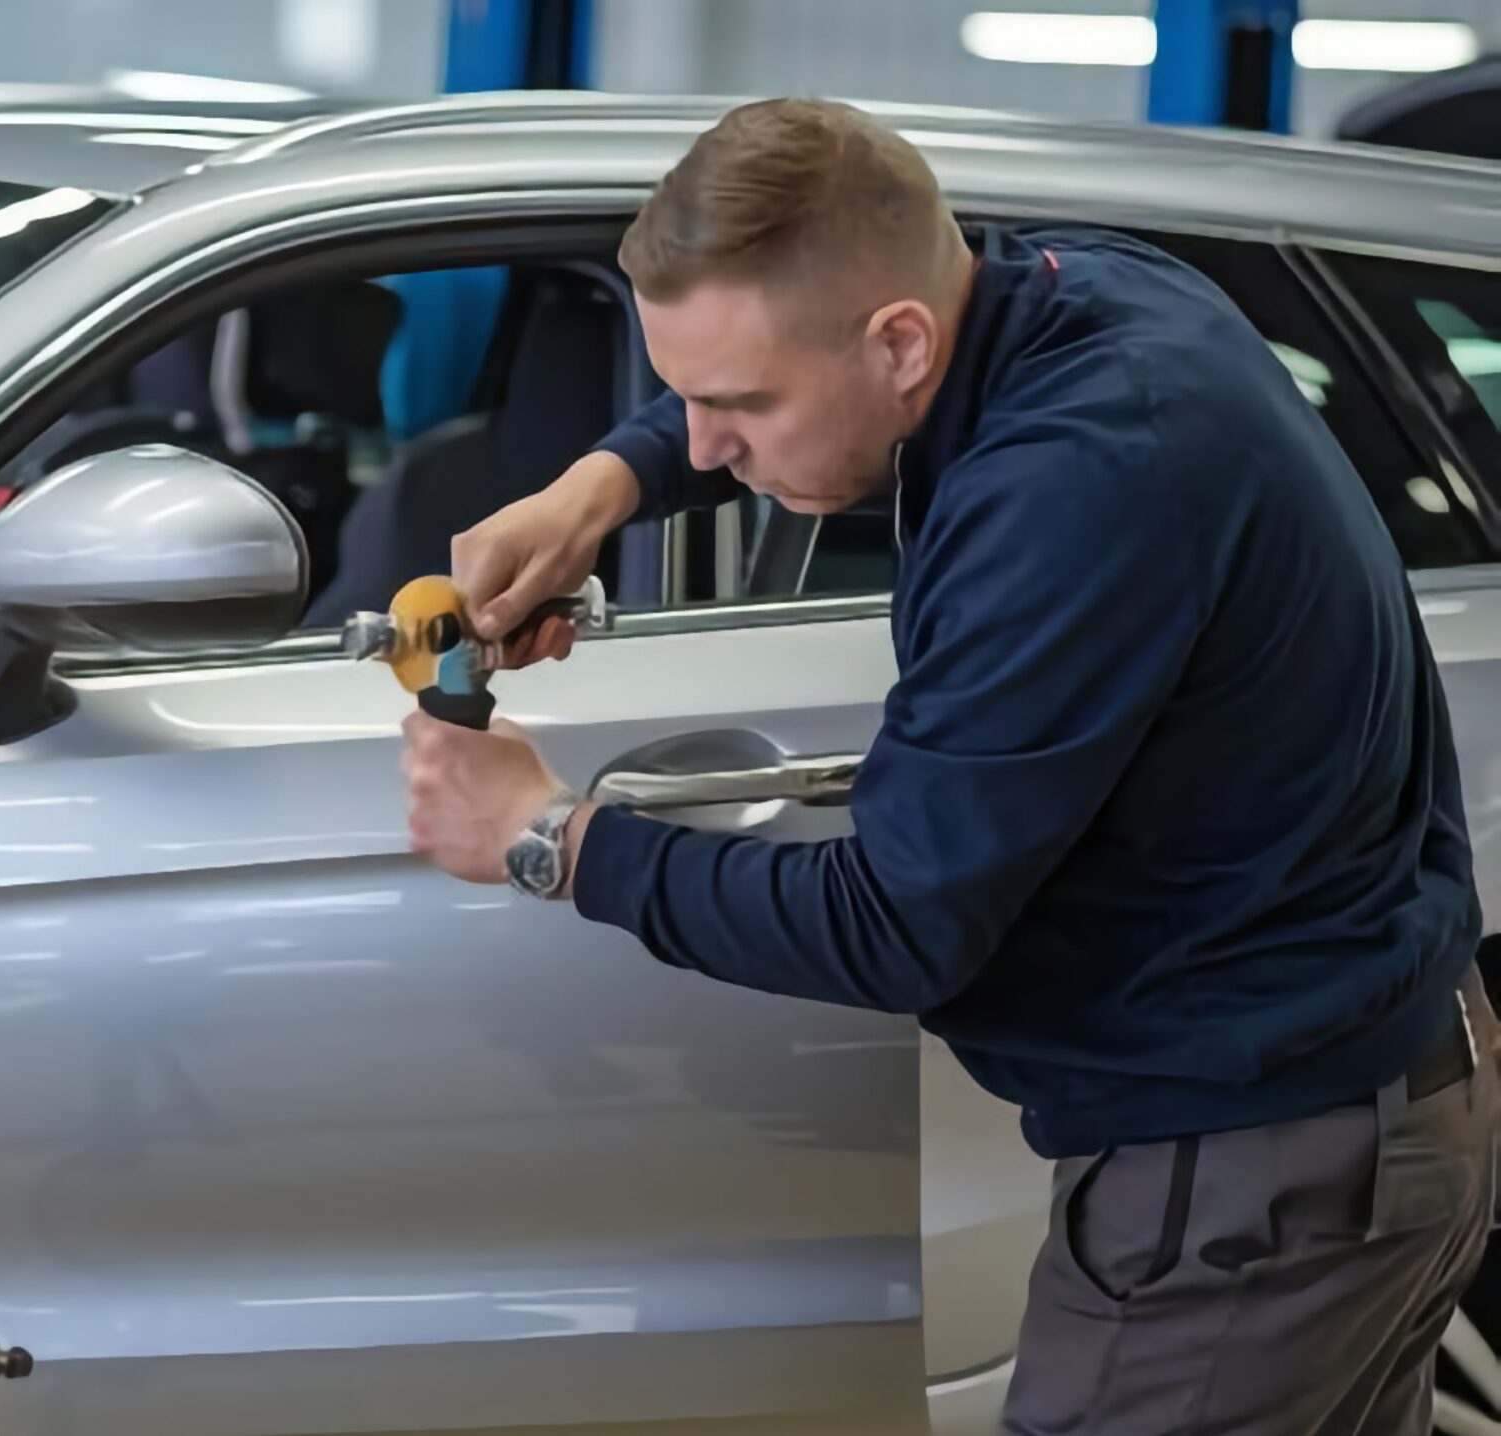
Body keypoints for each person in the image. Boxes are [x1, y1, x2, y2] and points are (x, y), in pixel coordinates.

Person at [399, 97, 1496, 1433]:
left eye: (733, 403)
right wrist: (605, 485)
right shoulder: (1080, 289)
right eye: (682, 395)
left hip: (1250, 1177)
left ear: (901, 343)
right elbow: (793, 404)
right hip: (1364, 1099)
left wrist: (546, 836)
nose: (703, 443)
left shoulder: (1076, 489)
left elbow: (896, 928)